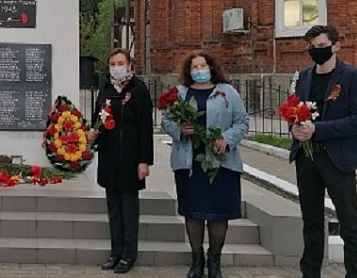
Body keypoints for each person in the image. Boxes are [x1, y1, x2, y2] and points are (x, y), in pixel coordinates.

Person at [290, 25, 357, 278]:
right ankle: (310, 273)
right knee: (312, 222)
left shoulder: (353, 76)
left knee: (349, 223)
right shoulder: (303, 77)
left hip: (339, 159)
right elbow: (295, 112)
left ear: (336, 46)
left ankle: (355, 274)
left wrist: (318, 129)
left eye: (322, 47)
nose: (316, 51)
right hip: (307, 157)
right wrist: (295, 129)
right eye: (312, 47)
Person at [161, 50, 249, 278]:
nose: (199, 71)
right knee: (194, 213)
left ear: (211, 67)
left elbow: (242, 121)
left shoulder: (227, 92)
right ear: (189, 71)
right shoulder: (180, 93)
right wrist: (179, 130)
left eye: (203, 66)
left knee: (219, 214)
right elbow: (167, 120)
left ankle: (215, 261)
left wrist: (227, 139)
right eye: (194, 67)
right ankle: (196, 260)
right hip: (190, 163)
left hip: (222, 163)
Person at [87, 48, 153, 274]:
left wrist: (144, 161)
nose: (116, 67)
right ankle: (115, 252)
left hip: (131, 158)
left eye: (120, 62)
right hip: (109, 157)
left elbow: (145, 129)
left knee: (128, 210)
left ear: (130, 65)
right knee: (113, 209)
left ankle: (128, 255)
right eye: (113, 63)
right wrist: (92, 134)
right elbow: (97, 119)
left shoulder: (139, 91)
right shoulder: (105, 90)